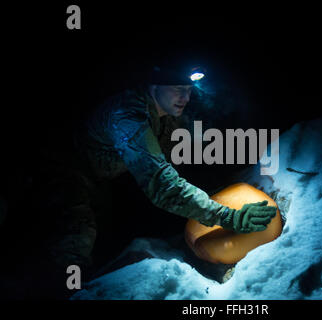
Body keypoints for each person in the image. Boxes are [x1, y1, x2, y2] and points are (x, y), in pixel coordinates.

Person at [25, 61, 277, 295]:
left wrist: (248, 153)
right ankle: (59, 292)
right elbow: (161, 184)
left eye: (189, 89)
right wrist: (226, 215)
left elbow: (196, 140)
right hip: (65, 171)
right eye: (178, 89)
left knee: (103, 238)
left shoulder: (166, 112)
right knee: (75, 237)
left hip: (100, 178)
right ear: (153, 85)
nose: (186, 97)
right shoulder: (128, 117)